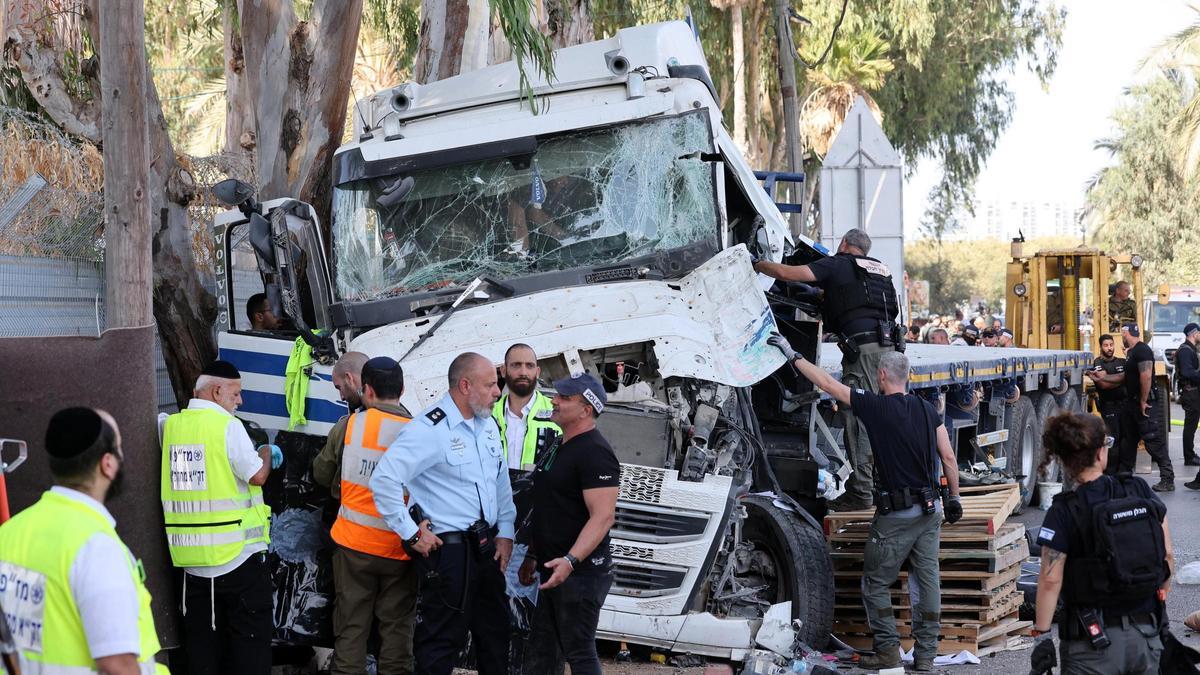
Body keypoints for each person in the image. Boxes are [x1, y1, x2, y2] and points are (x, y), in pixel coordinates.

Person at [766, 334, 962, 672]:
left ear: (882, 376)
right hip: (931, 512)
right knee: (925, 581)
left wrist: (792, 355)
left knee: (874, 582)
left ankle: (887, 650)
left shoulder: (875, 406)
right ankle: (926, 655)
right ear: (908, 377)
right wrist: (955, 497)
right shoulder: (927, 410)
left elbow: (828, 383)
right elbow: (948, 456)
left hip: (897, 515)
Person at [370, 352, 516, 675]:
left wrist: (505, 530)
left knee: (495, 637)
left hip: (486, 548)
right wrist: (410, 531)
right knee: (440, 645)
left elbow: (500, 481)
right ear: (465, 386)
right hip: (449, 553)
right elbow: (384, 479)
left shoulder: (488, 425)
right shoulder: (430, 428)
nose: (498, 392)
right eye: (491, 385)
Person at [0, 408, 168, 675]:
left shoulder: (10, 533)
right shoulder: (95, 547)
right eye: (120, 449)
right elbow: (117, 665)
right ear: (108, 464)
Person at [753, 228, 902, 511]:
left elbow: (787, 274)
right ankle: (882, 484)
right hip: (890, 351)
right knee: (885, 419)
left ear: (844, 244)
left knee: (857, 413)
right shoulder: (880, 270)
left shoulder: (838, 262)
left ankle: (860, 492)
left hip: (864, 355)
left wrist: (755, 263)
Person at [1030, 412, 1173, 675]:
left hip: (1091, 645)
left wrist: (1041, 634)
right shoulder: (1138, 490)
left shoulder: (1063, 511)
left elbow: (1050, 580)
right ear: (1100, 453)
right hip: (1147, 637)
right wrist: (1160, 600)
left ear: (1064, 460)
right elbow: (1167, 557)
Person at [159, 360, 278, 675]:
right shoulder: (228, 426)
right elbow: (256, 477)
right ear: (216, 391)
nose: (239, 401)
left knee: (202, 652)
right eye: (236, 394)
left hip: (191, 565)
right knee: (249, 650)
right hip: (238, 561)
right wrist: (266, 452)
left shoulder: (170, 427)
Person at [315, 357, 417, 675]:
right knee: (397, 636)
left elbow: (322, 473)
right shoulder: (420, 432)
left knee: (351, 631)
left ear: (367, 390)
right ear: (402, 389)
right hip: (401, 549)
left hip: (353, 547)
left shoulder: (350, 426)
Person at [518, 373, 619, 675]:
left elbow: (603, 517)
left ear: (586, 409)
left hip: (581, 574)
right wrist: (534, 554)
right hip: (553, 568)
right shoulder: (561, 444)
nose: (554, 401)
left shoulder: (596, 453)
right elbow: (551, 504)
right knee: (542, 650)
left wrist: (571, 560)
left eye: (564, 398)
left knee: (579, 652)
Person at [1116, 324, 1174, 491]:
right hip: (1132, 404)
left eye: (1123, 334)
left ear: (1127, 334)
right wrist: (1103, 378)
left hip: (1145, 404)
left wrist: (1143, 400)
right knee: (1128, 440)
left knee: (1152, 441)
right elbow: (1127, 377)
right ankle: (1124, 476)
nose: (1122, 337)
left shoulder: (1142, 350)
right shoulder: (1132, 353)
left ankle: (1167, 479)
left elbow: (1146, 375)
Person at [494, 344, 561, 473]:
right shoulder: (486, 416)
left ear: (537, 372)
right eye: (516, 365)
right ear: (503, 371)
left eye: (529, 366)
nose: (523, 372)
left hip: (544, 492)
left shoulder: (558, 412)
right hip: (496, 492)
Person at [1085, 334, 1128, 466]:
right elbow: (1104, 385)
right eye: (1106, 345)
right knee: (1112, 439)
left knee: (1125, 438)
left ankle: (1124, 469)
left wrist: (1108, 377)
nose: (1109, 348)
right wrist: (1122, 378)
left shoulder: (1121, 361)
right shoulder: (1098, 363)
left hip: (1125, 405)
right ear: (1101, 347)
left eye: (1111, 345)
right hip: (1109, 406)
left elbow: (1129, 378)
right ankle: (1111, 471)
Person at [1177, 323, 1200, 471]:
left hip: (1194, 392)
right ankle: (1189, 456)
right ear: (1194, 333)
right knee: (1190, 426)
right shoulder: (1185, 351)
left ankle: (1190, 454)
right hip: (1190, 392)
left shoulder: (1190, 349)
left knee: (1192, 425)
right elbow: (1187, 372)